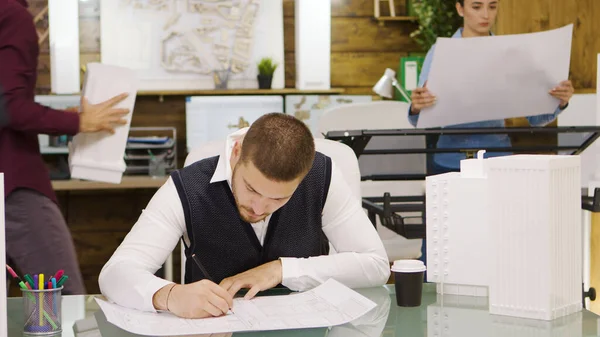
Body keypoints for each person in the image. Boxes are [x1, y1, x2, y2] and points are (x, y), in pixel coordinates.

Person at [99, 113, 390, 318]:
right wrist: (170, 295)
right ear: (237, 152)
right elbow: (115, 274)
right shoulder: (186, 188)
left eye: (279, 198)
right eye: (251, 188)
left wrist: (281, 270)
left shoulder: (322, 176)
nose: (259, 208)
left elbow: (376, 264)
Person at [0, 0, 130, 294]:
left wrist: (64, 117)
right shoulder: (13, 15)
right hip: (14, 186)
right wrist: (79, 123)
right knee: (64, 299)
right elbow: (8, 107)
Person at [408, 0, 575, 174]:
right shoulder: (439, 52)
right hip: (449, 161)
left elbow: (537, 119)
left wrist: (559, 101)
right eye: (476, 7)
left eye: (492, 6)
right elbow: (417, 119)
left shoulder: (511, 55)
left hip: (497, 161)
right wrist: (417, 107)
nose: (486, 15)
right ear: (460, 9)